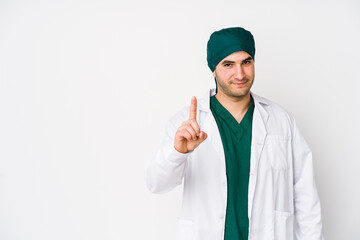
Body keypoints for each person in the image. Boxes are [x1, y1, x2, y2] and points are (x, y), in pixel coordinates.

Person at [146, 27, 324, 240]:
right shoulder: (187, 124)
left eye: (246, 62)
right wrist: (177, 152)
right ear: (213, 69)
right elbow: (156, 184)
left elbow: (306, 199)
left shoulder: (281, 121)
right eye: (228, 64)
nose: (240, 74)